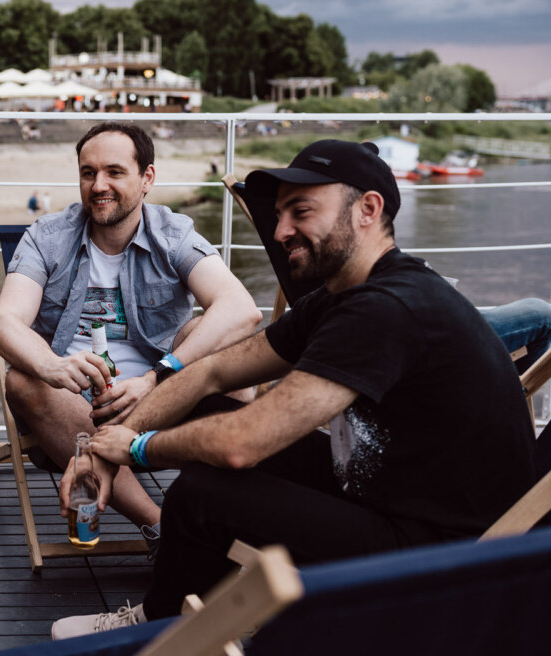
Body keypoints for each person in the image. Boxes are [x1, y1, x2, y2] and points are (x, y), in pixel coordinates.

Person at [51, 140, 536, 637]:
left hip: (446, 551)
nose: (281, 231)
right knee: (204, 408)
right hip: (382, 491)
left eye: (300, 211)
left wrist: (133, 447)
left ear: (367, 209)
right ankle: (186, 610)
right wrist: (106, 451)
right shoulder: (341, 296)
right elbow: (211, 372)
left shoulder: (389, 308)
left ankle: (158, 631)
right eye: (280, 214)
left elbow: (242, 446)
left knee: (203, 495)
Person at [0, 122, 261, 546]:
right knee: (24, 379)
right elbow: (4, 322)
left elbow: (241, 310)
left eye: (115, 172)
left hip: (163, 398)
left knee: (237, 359)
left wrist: (158, 377)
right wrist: (54, 366)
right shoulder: (47, 237)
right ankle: (163, 526)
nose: (99, 185)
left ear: (146, 178)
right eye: (88, 173)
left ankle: (217, 507)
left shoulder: (172, 234)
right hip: (71, 408)